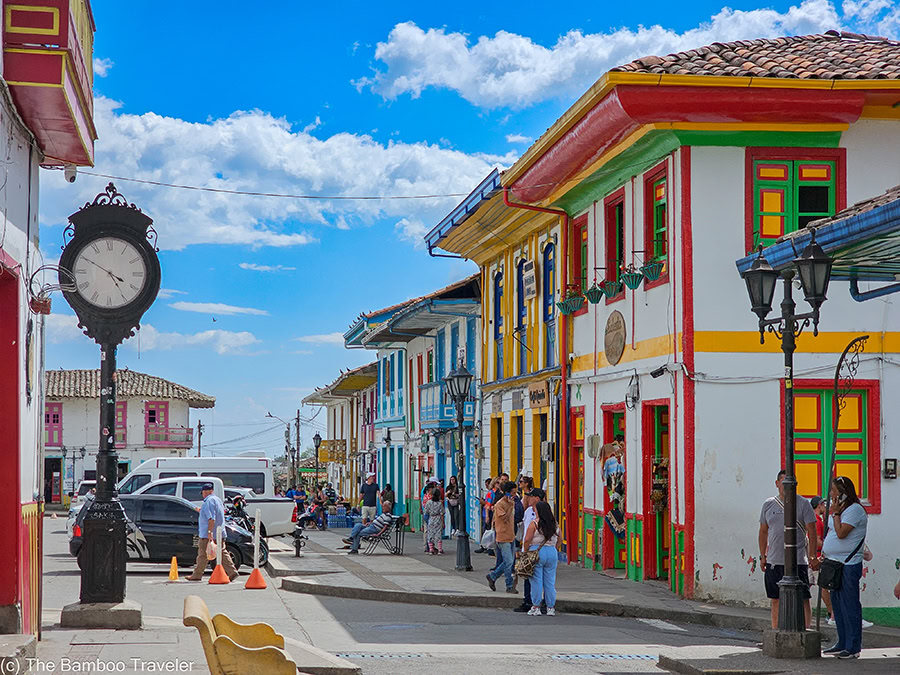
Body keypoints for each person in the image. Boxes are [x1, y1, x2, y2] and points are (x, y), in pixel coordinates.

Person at [758, 469, 818, 629]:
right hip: (774, 560)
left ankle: (805, 629)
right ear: (777, 484)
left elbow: (812, 531)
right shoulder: (768, 504)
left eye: (790, 483)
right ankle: (776, 631)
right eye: (783, 483)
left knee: (803, 598)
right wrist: (763, 555)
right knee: (775, 599)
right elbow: (763, 531)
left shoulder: (804, 504)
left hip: (798, 561)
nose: (786, 487)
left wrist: (812, 556)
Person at [819, 476, 867, 659]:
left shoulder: (854, 510)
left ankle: (853, 646)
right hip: (835, 563)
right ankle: (842, 642)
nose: (831, 495)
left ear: (843, 494)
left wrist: (836, 513)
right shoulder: (841, 509)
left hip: (849, 563)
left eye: (833, 492)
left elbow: (841, 533)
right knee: (837, 605)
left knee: (850, 604)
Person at [187, 483, 238, 582]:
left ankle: (197, 575)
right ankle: (232, 572)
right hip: (220, 532)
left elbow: (211, 519)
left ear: (205, 492)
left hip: (208, 534)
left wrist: (209, 532)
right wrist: (201, 511)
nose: (202, 495)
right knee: (222, 552)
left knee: (202, 554)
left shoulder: (208, 502)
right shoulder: (217, 500)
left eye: (202, 493)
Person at [523, 500, 560, 616]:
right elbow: (560, 540)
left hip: (536, 552)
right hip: (552, 552)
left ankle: (536, 606)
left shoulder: (534, 524)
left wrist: (526, 551)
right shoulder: (555, 524)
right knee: (550, 581)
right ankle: (550, 607)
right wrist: (554, 549)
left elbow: (527, 539)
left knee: (536, 581)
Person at [515, 487, 548, 614]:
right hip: (528, 547)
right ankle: (528, 600)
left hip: (537, 548)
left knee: (538, 577)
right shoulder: (528, 511)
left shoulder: (544, 512)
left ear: (537, 499)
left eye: (531, 496)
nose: (528, 498)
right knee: (527, 574)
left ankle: (538, 602)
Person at [486, 481, 518, 593]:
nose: (515, 495)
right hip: (502, 536)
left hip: (511, 535)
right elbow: (504, 518)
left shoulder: (511, 503)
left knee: (509, 561)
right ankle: (509, 585)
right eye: (513, 493)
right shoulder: (500, 504)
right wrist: (510, 506)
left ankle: (493, 576)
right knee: (508, 561)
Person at [424, 488, 445, 554]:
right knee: (438, 534)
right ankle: (440, 549)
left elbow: (426, 512)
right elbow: (442, 513)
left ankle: (431, 549)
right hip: (438, 519)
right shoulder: (439, 503)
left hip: (431, 519)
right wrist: (443, 522)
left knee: (430, 534)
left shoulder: (428, 503)